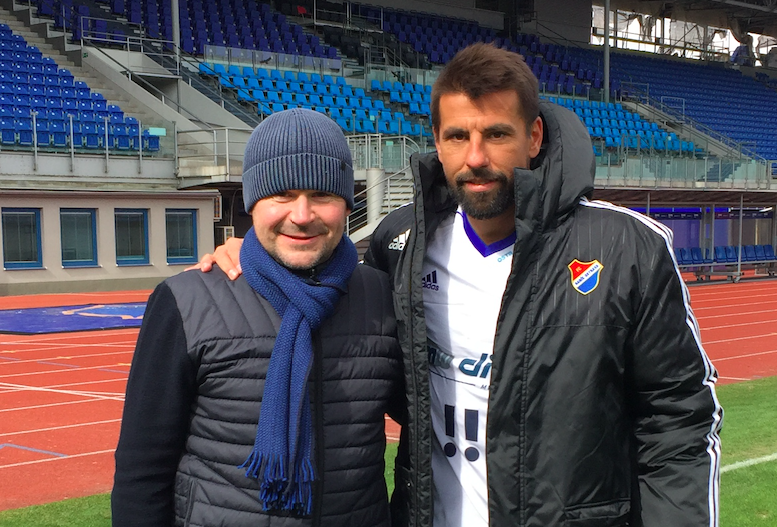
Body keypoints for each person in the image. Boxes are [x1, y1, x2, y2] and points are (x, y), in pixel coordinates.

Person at [199, 43, 723, 527]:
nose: (475, 158)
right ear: (437, 141)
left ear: (534, 137)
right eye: (457, 137)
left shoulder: (628, 248)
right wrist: (251, 256)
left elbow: (679, 421)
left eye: (496, 134)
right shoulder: (400, 243)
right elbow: (335, 304)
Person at [111, 108, 404, 526]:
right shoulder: (186, 300)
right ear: (252, 203)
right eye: (282, 194)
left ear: (346, 203)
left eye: (322, 195)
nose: (301, 215)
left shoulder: (380, 296)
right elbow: (142, 469)